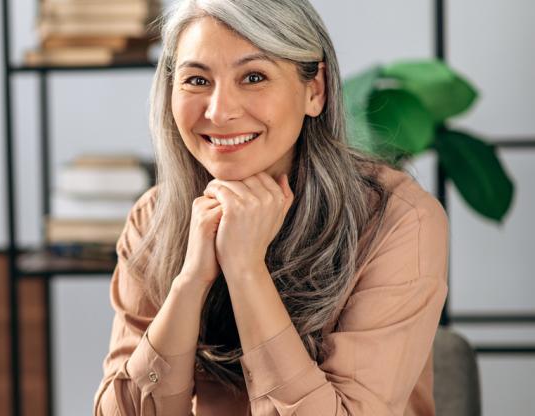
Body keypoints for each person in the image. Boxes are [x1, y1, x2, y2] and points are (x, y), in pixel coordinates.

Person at [93, 0, 448, 415]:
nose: (219, 111)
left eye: (254, 77)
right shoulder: (153, 219)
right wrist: (189, 283)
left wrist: (246, 270)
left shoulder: (398, 220)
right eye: (196, 80)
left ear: (314, 90)